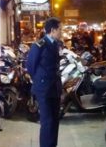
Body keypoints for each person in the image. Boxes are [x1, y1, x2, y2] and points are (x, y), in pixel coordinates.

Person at [25, 18, 64, 147]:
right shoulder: (39, 45)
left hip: (55, 89)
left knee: (54, 121)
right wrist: (39, 81)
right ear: (52, 30)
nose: (61, 32)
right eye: (60, 29)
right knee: (47, 122)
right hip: (44, 90)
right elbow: (30, 66)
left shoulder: (56, 44)